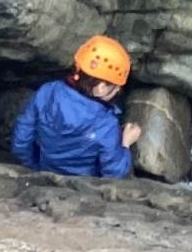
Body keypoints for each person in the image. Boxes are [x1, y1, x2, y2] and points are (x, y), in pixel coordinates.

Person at [11, 35, 141, 177]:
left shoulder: (47, 92)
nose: (118, 90)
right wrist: (125, 143)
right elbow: (114, 173)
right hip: (83, 183)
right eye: (116, 87)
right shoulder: (106, 125)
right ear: (101, 88)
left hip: (45, 167)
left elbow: (21, 140)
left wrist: (34, 167)